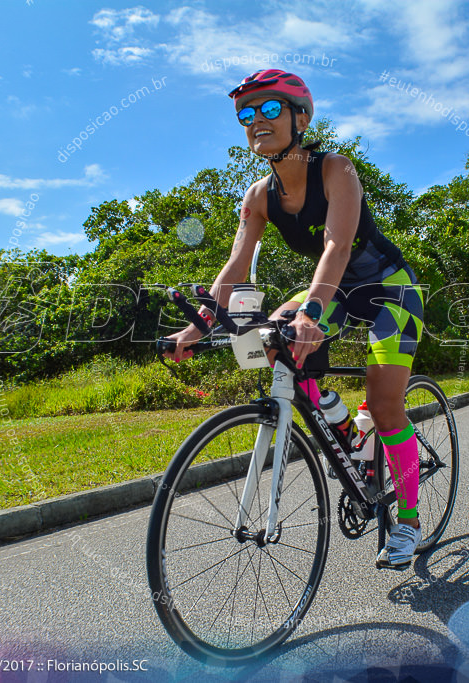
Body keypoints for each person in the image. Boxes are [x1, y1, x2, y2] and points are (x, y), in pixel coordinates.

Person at [163, 70, 426, 569]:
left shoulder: (336, 170)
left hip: (389, 291)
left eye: (269, 110)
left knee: (386, 404)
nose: (255, 121)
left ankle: (408, 522)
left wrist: (309, 313)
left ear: (299, 117)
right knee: (268, 339)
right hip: (334, 291)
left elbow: (337, 246)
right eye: (246, 113)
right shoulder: (259, 196)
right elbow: (236, 268)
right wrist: (195, 329)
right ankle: (346, 430)